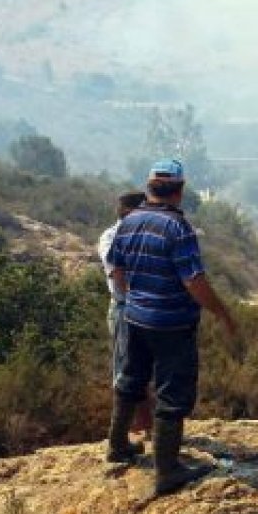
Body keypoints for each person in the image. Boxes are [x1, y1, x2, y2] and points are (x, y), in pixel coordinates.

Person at [105, 159, 240, 496]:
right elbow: (193, 280)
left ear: (149, 188)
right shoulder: (178, 229)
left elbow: (117, 274)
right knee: (171, 393)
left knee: (130, 380)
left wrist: (136, 300)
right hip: (172, 325)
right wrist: (222, 314)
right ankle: (167, 470)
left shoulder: (128, 222)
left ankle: (118, 445)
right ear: (180, 192)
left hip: (134, 317)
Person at [98, 190, 148, 452]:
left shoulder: (140, 235)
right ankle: (123, 438)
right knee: (126, 373)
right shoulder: (111, 238)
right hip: (126, 309)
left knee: (143, 370)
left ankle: (147, 429)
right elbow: (119, 276)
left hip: (143, 309)